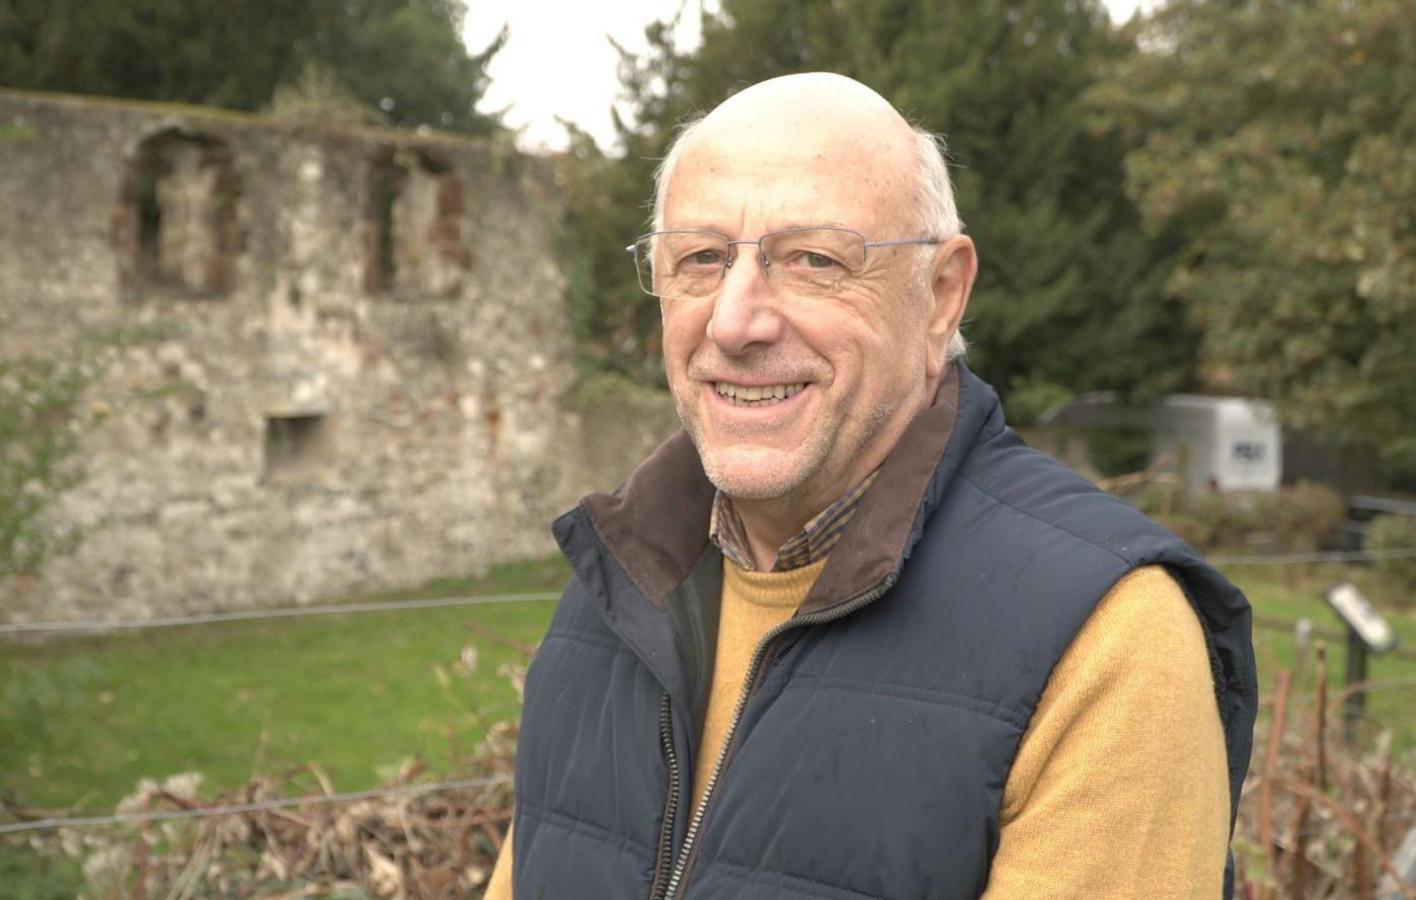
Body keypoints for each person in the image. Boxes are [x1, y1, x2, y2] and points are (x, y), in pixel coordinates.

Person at [485, 72, 1256, 899]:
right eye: (701, 258)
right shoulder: (613, 591)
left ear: (942, 297)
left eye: (813, 259)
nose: (734, 321)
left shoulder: (1107, 640)